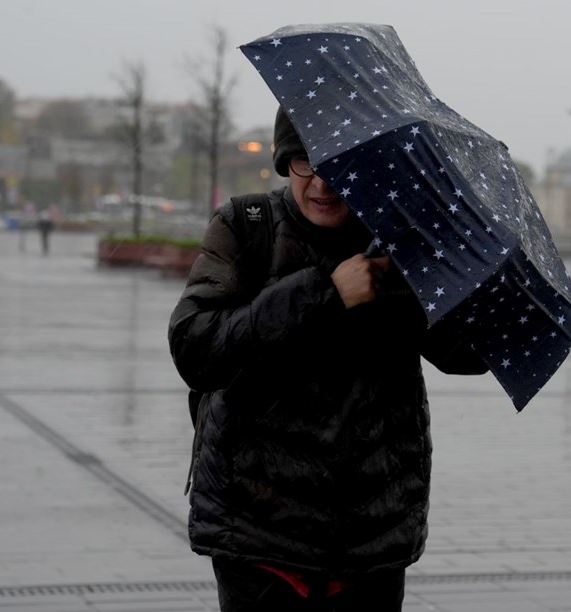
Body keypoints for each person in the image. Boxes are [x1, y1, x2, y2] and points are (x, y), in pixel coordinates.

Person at [168, 109, 486, 611]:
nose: (321, 181)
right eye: (304, 161)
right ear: (283, 161)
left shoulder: (401, 244)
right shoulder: (247, 227)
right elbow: (196, 349)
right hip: (259, 532)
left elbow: (468, 355)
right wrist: (323, 291)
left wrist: (438, 270)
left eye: (341, 163)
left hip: (372, 535)